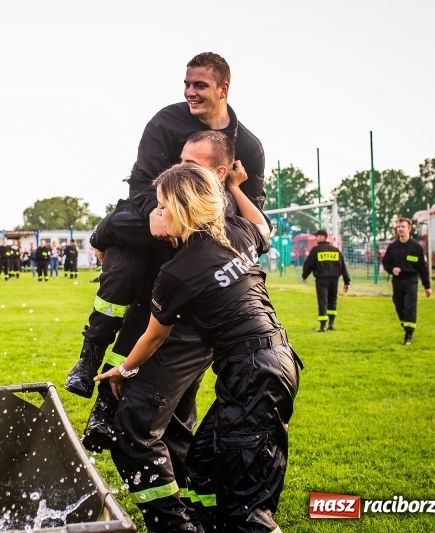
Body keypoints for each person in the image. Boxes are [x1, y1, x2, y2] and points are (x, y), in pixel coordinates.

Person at [96, 162, 300, 533]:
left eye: (160, 206)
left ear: (182, 208)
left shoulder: (177, 272)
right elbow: (264, 228)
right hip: (275, 361)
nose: (154, 214)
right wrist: (238, 188)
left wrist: (123, 369)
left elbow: (154, 336)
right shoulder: (237, 231)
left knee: (246, 505)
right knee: (204, 462)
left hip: (251, 373)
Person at [66, 51, 265, 399]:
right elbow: (141, 183)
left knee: (149, 314)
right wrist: (157, 215)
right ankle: (87, 359)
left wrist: (195, 227)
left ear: (224, 88)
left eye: (200, 85)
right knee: (123, 266)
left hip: (194, 245)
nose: (190, 91)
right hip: (148, 224)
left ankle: (105, 408)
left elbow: (249, 213)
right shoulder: (165, 122)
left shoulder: (247, 146)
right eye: (186, 84)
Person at [381, 217, 431, 345]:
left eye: (402, 226)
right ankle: (406, 324)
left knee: (410, 306)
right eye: (398, 227)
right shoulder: (392, 247)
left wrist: (427, 286)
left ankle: (408, 334)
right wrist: (392, 269)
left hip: (411, 280)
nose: (400, 229)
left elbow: (423, 268)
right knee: (398, 305)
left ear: (409, 228)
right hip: (397, 281)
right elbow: (385, 263)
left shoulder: (416, 248)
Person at [301, 228, 351, 332]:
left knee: (322, 301)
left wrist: (305, 275)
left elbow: (309, 264)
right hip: (334, 280)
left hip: (321, 280)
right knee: (333, 300)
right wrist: (347, 282)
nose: (315, 238)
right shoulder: (336, 250)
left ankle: (323, 326)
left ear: (323, 237)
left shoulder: (316, 250)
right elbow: (343, 267)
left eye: (317, 236)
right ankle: (331, 323)